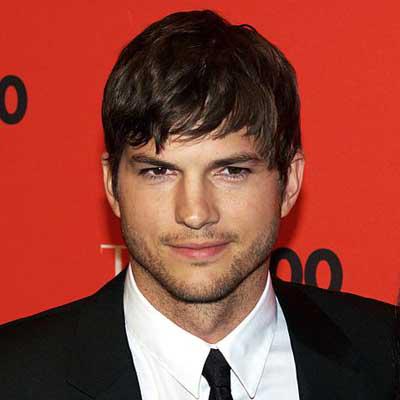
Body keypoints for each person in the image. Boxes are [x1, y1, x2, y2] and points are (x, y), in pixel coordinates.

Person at [0, 9, 396, 399]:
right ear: (112, 184)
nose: (194, 213)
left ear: (289, 182)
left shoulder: (386, 356)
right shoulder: (13, 376)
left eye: (231, 171)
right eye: (159, 172)